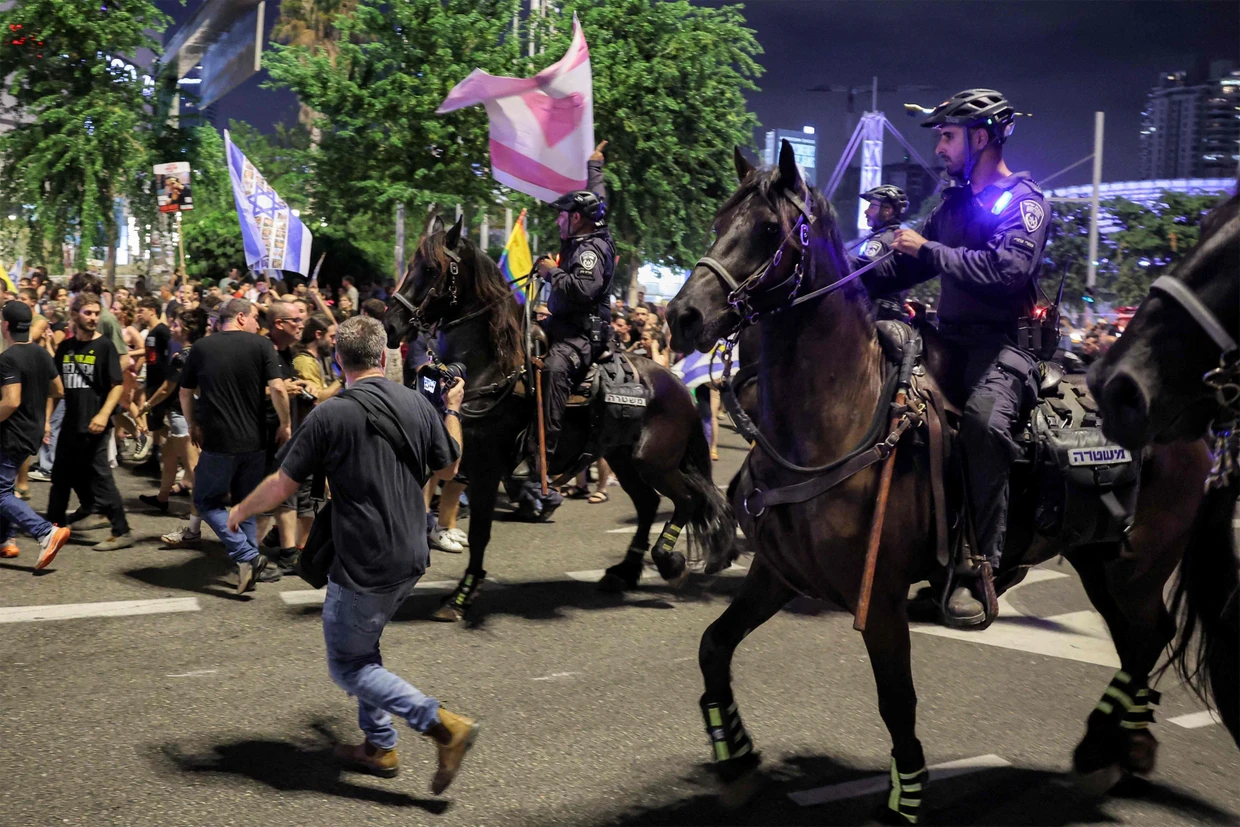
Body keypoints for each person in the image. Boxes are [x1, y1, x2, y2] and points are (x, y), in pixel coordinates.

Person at [227, 316, 479, 792]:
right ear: (383, 356)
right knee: (365, 647)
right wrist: (452, 410)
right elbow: (449, 469)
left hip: (364, 561)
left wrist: (240, 509)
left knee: (349, 665)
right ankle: (379, 745)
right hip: (411, 551)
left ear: (338, 360)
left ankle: (443, 726)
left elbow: (283, 485)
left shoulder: (329, 414)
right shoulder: (418, 403)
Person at [876, 88, 1048, 626]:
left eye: (948, 136)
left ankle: (979, 568)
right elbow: (904, 266)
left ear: (981, 138)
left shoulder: (1024, 202)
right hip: (948, 342)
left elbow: (1007, 272)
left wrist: (926, 249)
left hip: (1005, 345)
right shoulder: (951, 206)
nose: (940, 148)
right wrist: (840, 277)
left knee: (983, 424)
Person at [179, 298, 291, 593]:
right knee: (247, 503)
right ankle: (249, 564)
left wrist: (192, 424)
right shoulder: (262, 345)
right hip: (255, 440)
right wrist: (285, 423)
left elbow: (185, 392)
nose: (258, 324)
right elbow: (278, 388)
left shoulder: (202, 347)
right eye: (255, 318)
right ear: (241, 317)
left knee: (205, 501)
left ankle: (247, 556)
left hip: (218, 441)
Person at [534, 140, 615, 461]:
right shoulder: (588, 229)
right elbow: (598, 200)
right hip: (562, 324)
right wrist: (595, 166)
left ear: (577, 218)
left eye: (563, 216)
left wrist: (551, 272)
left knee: (554, 368)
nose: (558, 221)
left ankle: (545, 452)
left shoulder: (590, 250)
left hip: (581, 336)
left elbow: (583, 290)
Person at [47, 292, 132, 550]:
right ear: (75, 315)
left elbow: (117, 384)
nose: (93, 318)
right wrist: (47, 421)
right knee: (61, 476)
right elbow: (56, 388)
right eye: (88, 313)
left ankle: (122, 531)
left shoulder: (104, 346)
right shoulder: (66, 348)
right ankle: (51, 529)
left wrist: (104, 414)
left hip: (95, 424)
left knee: (100, 477)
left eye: (96, 313)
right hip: (71, 423)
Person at [0, 302, 71, 569]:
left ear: (6, 325)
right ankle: (4, 540)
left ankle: (45, 532)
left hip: (12, 434)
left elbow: (11, 401)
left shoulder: (8, 358)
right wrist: (38, 407)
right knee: (5, 487)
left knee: (0, 492)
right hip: (32, 431)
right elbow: (58, 389)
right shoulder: (41, 353)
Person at [140, 308, 204, 519]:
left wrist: (147, 405)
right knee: (168, 456)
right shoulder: (200, 351)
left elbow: (167, 388)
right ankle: (162, 498)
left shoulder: (184, 356)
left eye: (175, 325)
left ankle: (195, 517)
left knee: (193, 466)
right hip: (187, 413)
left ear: (185, 330)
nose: (172, 328)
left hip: (183, 414)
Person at [856, 184, 912, 321]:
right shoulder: (894, 236)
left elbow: (865, 272)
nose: (866, 212)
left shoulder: (882, 239)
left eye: (872, 206)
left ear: (887, 210)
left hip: (877, 316)